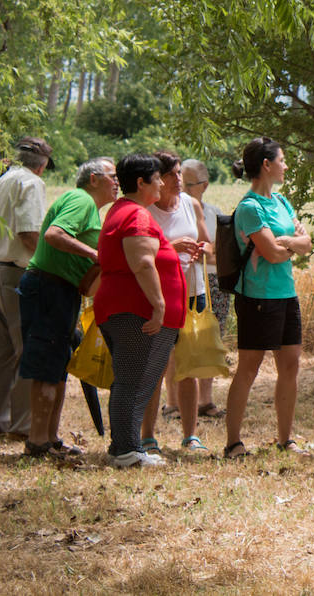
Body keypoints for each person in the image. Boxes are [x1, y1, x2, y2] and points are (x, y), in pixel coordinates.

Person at [94, 154, 189, 468]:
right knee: (133, 380)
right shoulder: (135, 215)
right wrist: (159, 305)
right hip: (136, 312)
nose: (162, 183)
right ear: (140, 182)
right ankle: (125, 450)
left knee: (135, 379)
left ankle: (128, 445)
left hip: (128, 309)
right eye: (158, 178)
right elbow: (142, 262)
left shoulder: (126, 212)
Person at [18, 158, 116, 459]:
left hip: (62, 290)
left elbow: (86, 279)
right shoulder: (80, 199)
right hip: (47, 287)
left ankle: (50, 438)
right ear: (94, 179)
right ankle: (37, 443)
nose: (118, 183)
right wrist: (95, 254)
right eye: (113, 176)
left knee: (58, 365)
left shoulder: (92, 210)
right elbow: (54, 235)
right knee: (47, 365)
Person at [224, 137, 312, 459]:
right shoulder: (249, 208)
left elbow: (307, 242)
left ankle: (285, 439)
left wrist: (286, 240)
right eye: (282, 160)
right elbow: (273, 255)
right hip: (258, 298)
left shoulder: (282, 202)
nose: (285, 166)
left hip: (286, 295)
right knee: (249, 368)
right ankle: (234, 442)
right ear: (266, 164)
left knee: (290, 366)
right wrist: (292, 243)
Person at [0, 137, 52, 439]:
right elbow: (29, 233)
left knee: (3, 351)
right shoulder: (31, 184)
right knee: (27, 349)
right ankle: (22, 425)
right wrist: (46, 265)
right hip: (17, 273)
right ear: (42, 165)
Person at [141, 152, 212, 453]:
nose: (179, 180)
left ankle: (190, 435)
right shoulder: (145, 210)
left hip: (192, 293)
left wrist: (200, 249)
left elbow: (208, 242)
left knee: (189, 366)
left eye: (181, 173)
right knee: (154, 367)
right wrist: (172, 247)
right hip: (158, 295)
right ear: (158, 178)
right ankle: (147, 436)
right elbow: (139, 251)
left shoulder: (191, 204)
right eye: (172, 175)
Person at [181, 158, 226, 417]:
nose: (184, 190)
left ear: (204, 186)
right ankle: (174, 403)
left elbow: (218, 252)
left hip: (212, 281)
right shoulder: (173, 208)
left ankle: (205, 401)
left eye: (190, 185)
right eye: (181, 184)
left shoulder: (214, 213)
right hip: (183, 280)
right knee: (179, 340)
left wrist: (206, 252)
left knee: (211, 338)